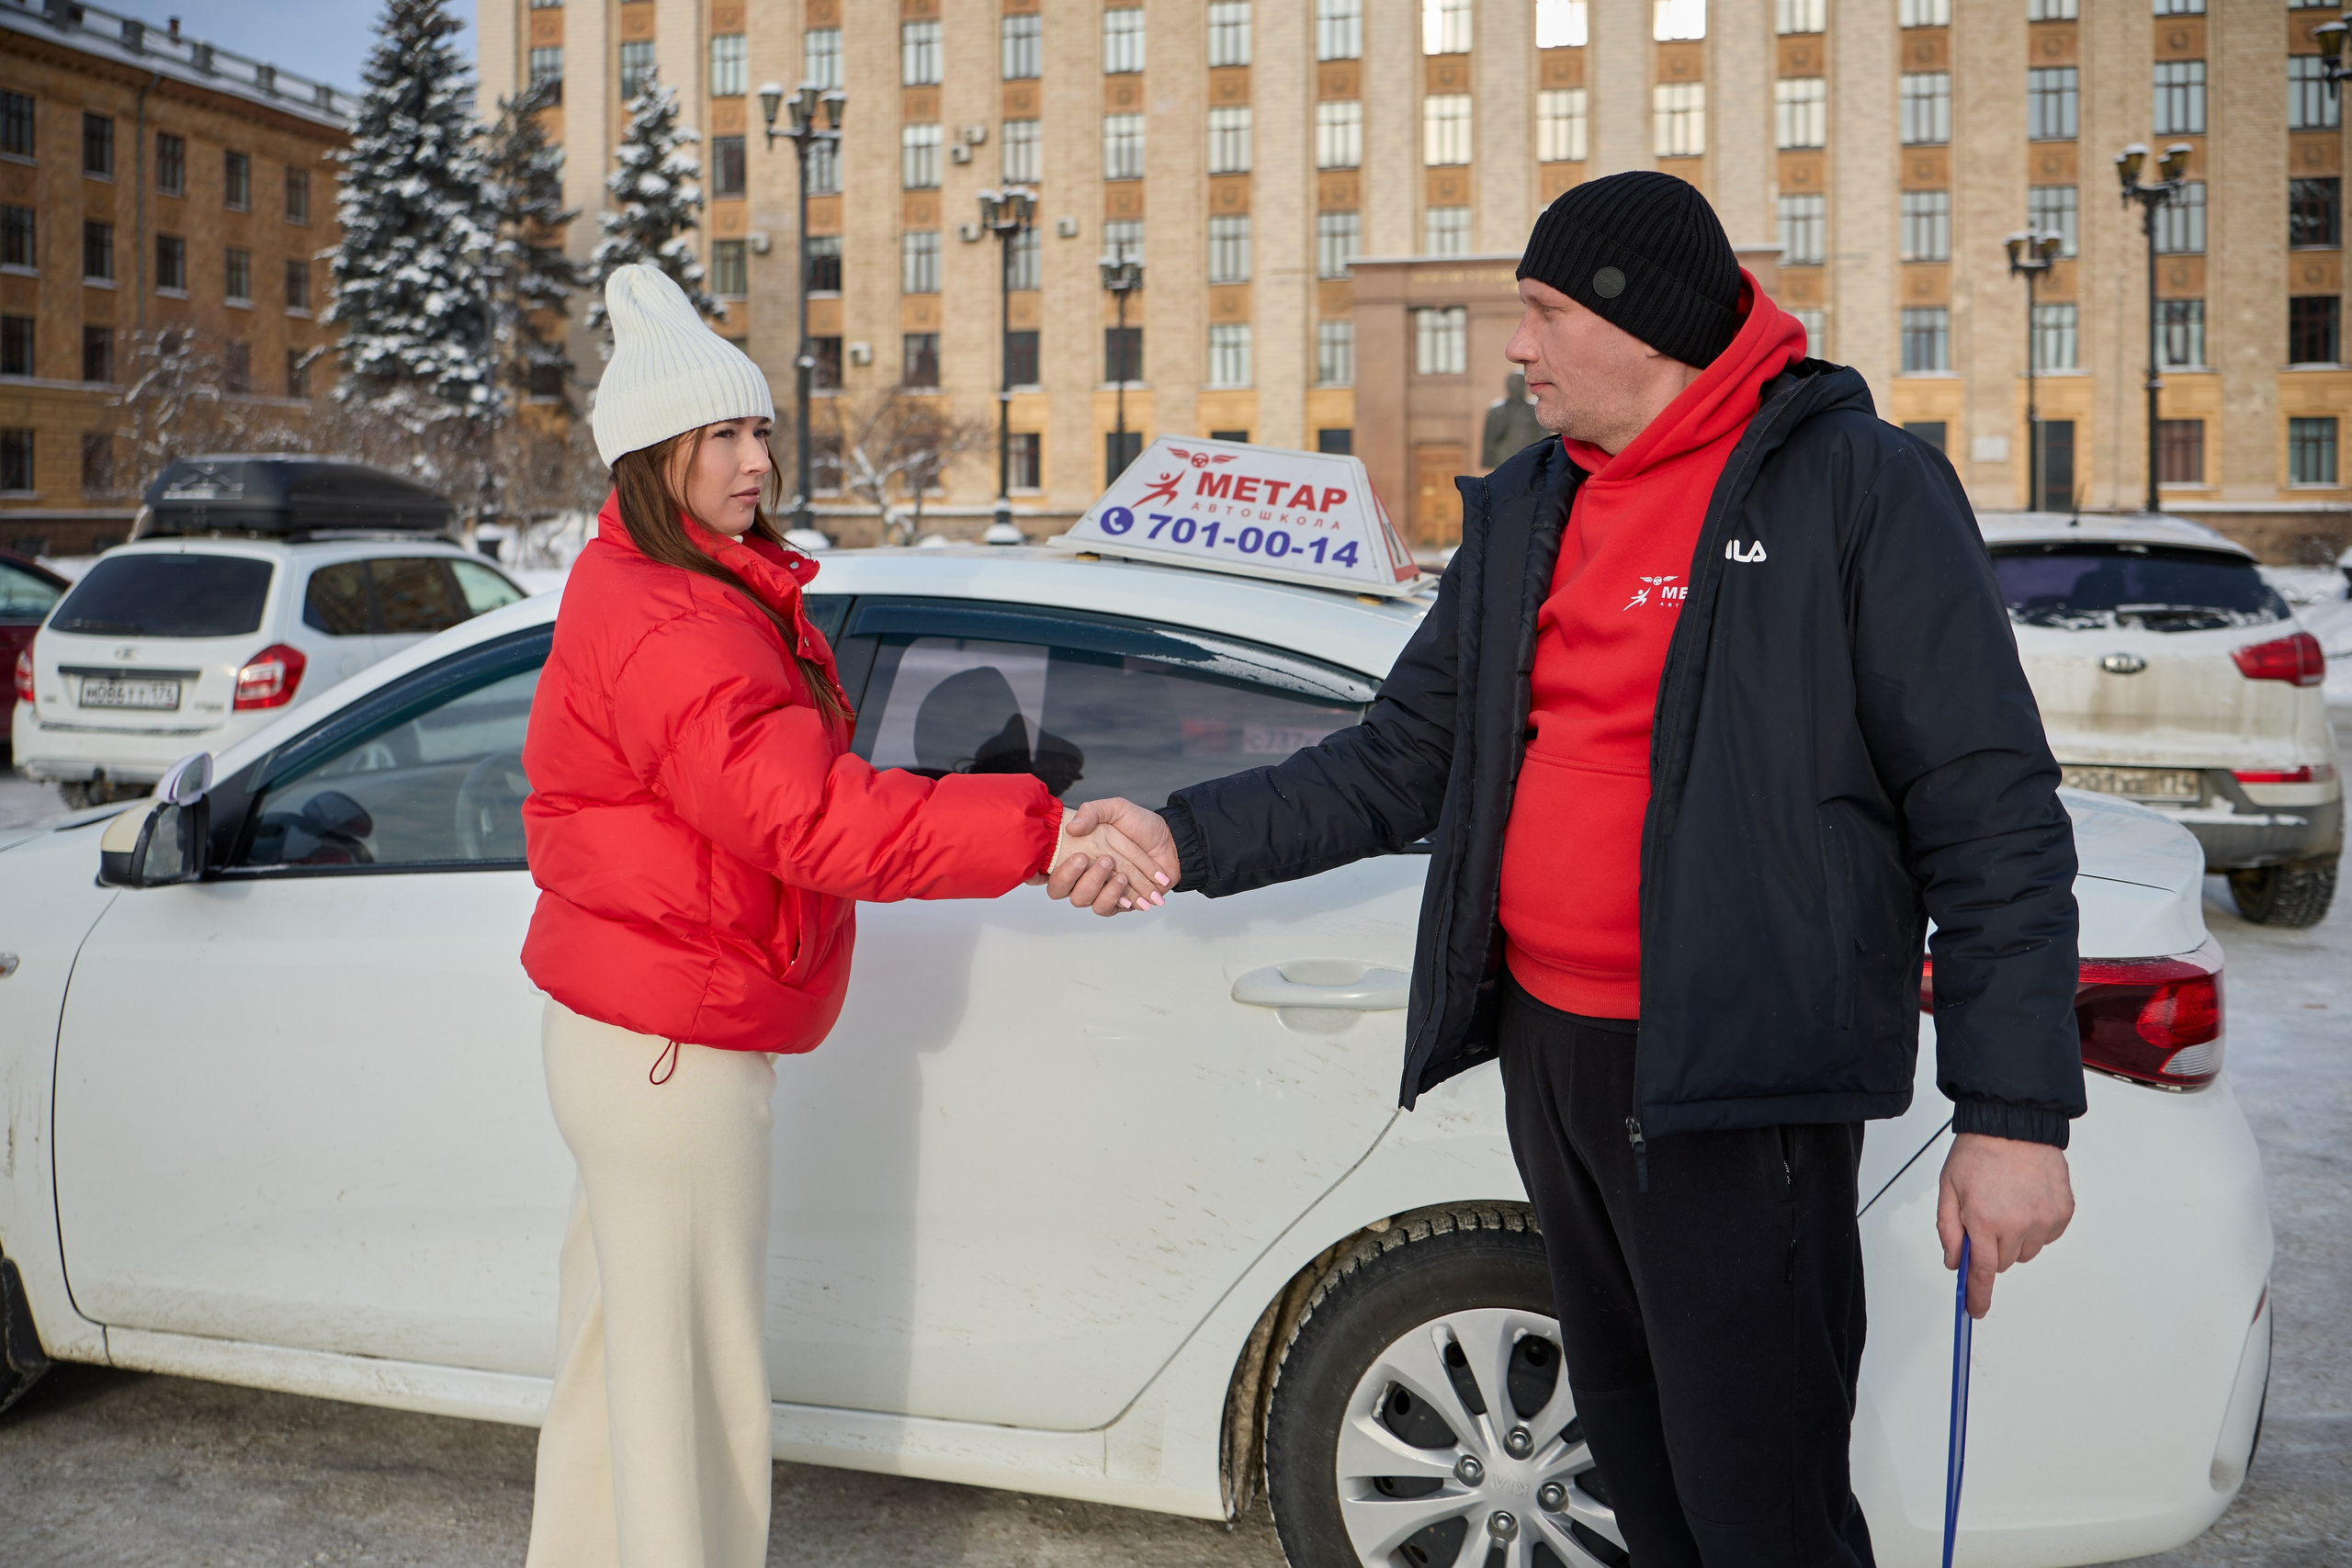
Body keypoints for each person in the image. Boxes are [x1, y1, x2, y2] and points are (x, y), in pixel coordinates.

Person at [1053, 172, 2082, 1567]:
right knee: (1642, 1476)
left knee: (1760, 1502)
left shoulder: (1856, 485)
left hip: (1737, 1074)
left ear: (1637, 321)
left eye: (1539, 314)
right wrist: (1185, 832)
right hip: (1558, 1052)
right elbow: (1400, 756)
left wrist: (2013, 1108)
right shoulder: (1533, 500)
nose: (1517, 349)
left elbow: (1989, 802)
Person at [517, 265, 1162, 1568]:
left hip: (640, 1024)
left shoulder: (656, 583)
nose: (758, 457)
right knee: (689, 1387)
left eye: (760, 428)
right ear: (655, 453)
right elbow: (815, 818)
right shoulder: (675, 621)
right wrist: (1036, 828)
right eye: (724, 435)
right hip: (671, 1047)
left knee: (622, 1359)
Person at [1481, 369, 1547, 469]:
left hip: (1529, 460)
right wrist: (1488, 461)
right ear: (1507, 386)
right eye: (1513, 384)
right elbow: (1489, 440)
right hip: (1503, 460)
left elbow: (1544, 437)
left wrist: (1544, 458)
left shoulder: (1535, 409)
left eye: (1519, 384)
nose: (1516, 387)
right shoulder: (1497, 410)